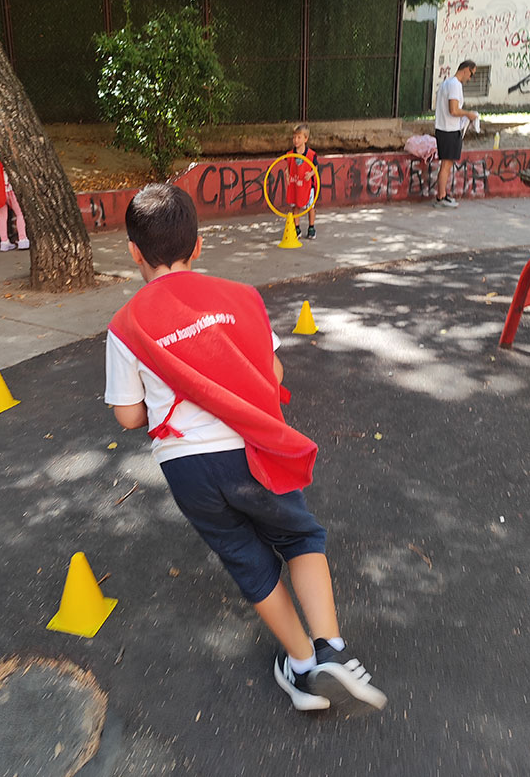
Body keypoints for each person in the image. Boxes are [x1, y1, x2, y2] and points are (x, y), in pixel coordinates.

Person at [104, 183, 387, 714]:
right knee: (301, 537)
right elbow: (273, 371)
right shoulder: (242, 298)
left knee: (246, 559)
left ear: (134, 252)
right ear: (199, 245)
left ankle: (300, 664)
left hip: (186, 467)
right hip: (250, 448)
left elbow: (128, 416)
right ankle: (330, 649)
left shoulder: (126, 324)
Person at [433, 60, 479, 208]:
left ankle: (442, 195)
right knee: (446, 164)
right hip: (449, 130)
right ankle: (441, 197)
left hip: (443, 128)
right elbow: (453, 110)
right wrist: (468, 114)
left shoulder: (446, 83)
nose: (470, 78)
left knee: (446, 164)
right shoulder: (455, 85)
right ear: (465, 70)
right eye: (471, 74)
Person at [287, 124, 318, 239]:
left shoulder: (311, 154)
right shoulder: (290, 154)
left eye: (299, 137)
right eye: (294, 137)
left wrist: (310, 174)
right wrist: (287, 174)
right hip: (296, 184)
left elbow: (315, 168)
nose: (296, 140)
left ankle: (311, 227)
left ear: (305, 139)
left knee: (310, 207)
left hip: (308, 185)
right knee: (296, 206)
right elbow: (288, 166)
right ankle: (296, 227)